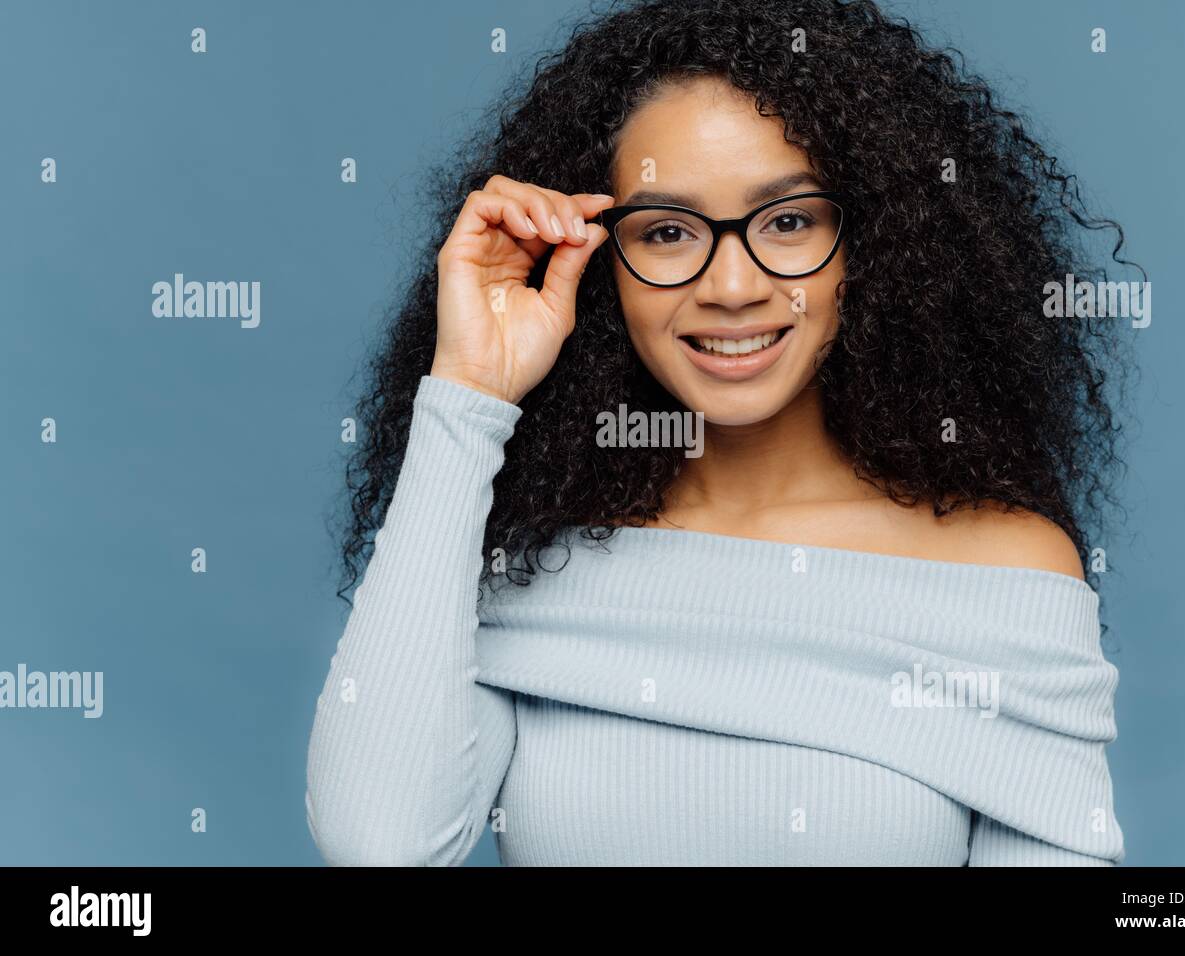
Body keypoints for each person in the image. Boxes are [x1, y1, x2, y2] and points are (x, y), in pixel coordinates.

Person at [307, 0, 1133, 866]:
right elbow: (380, 845)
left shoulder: (1001, 570)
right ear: (597, 263)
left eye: (787, 221)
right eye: (667, 232)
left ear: (876, 244)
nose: (731, 285)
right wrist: (471, 391)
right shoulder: (529, 560)